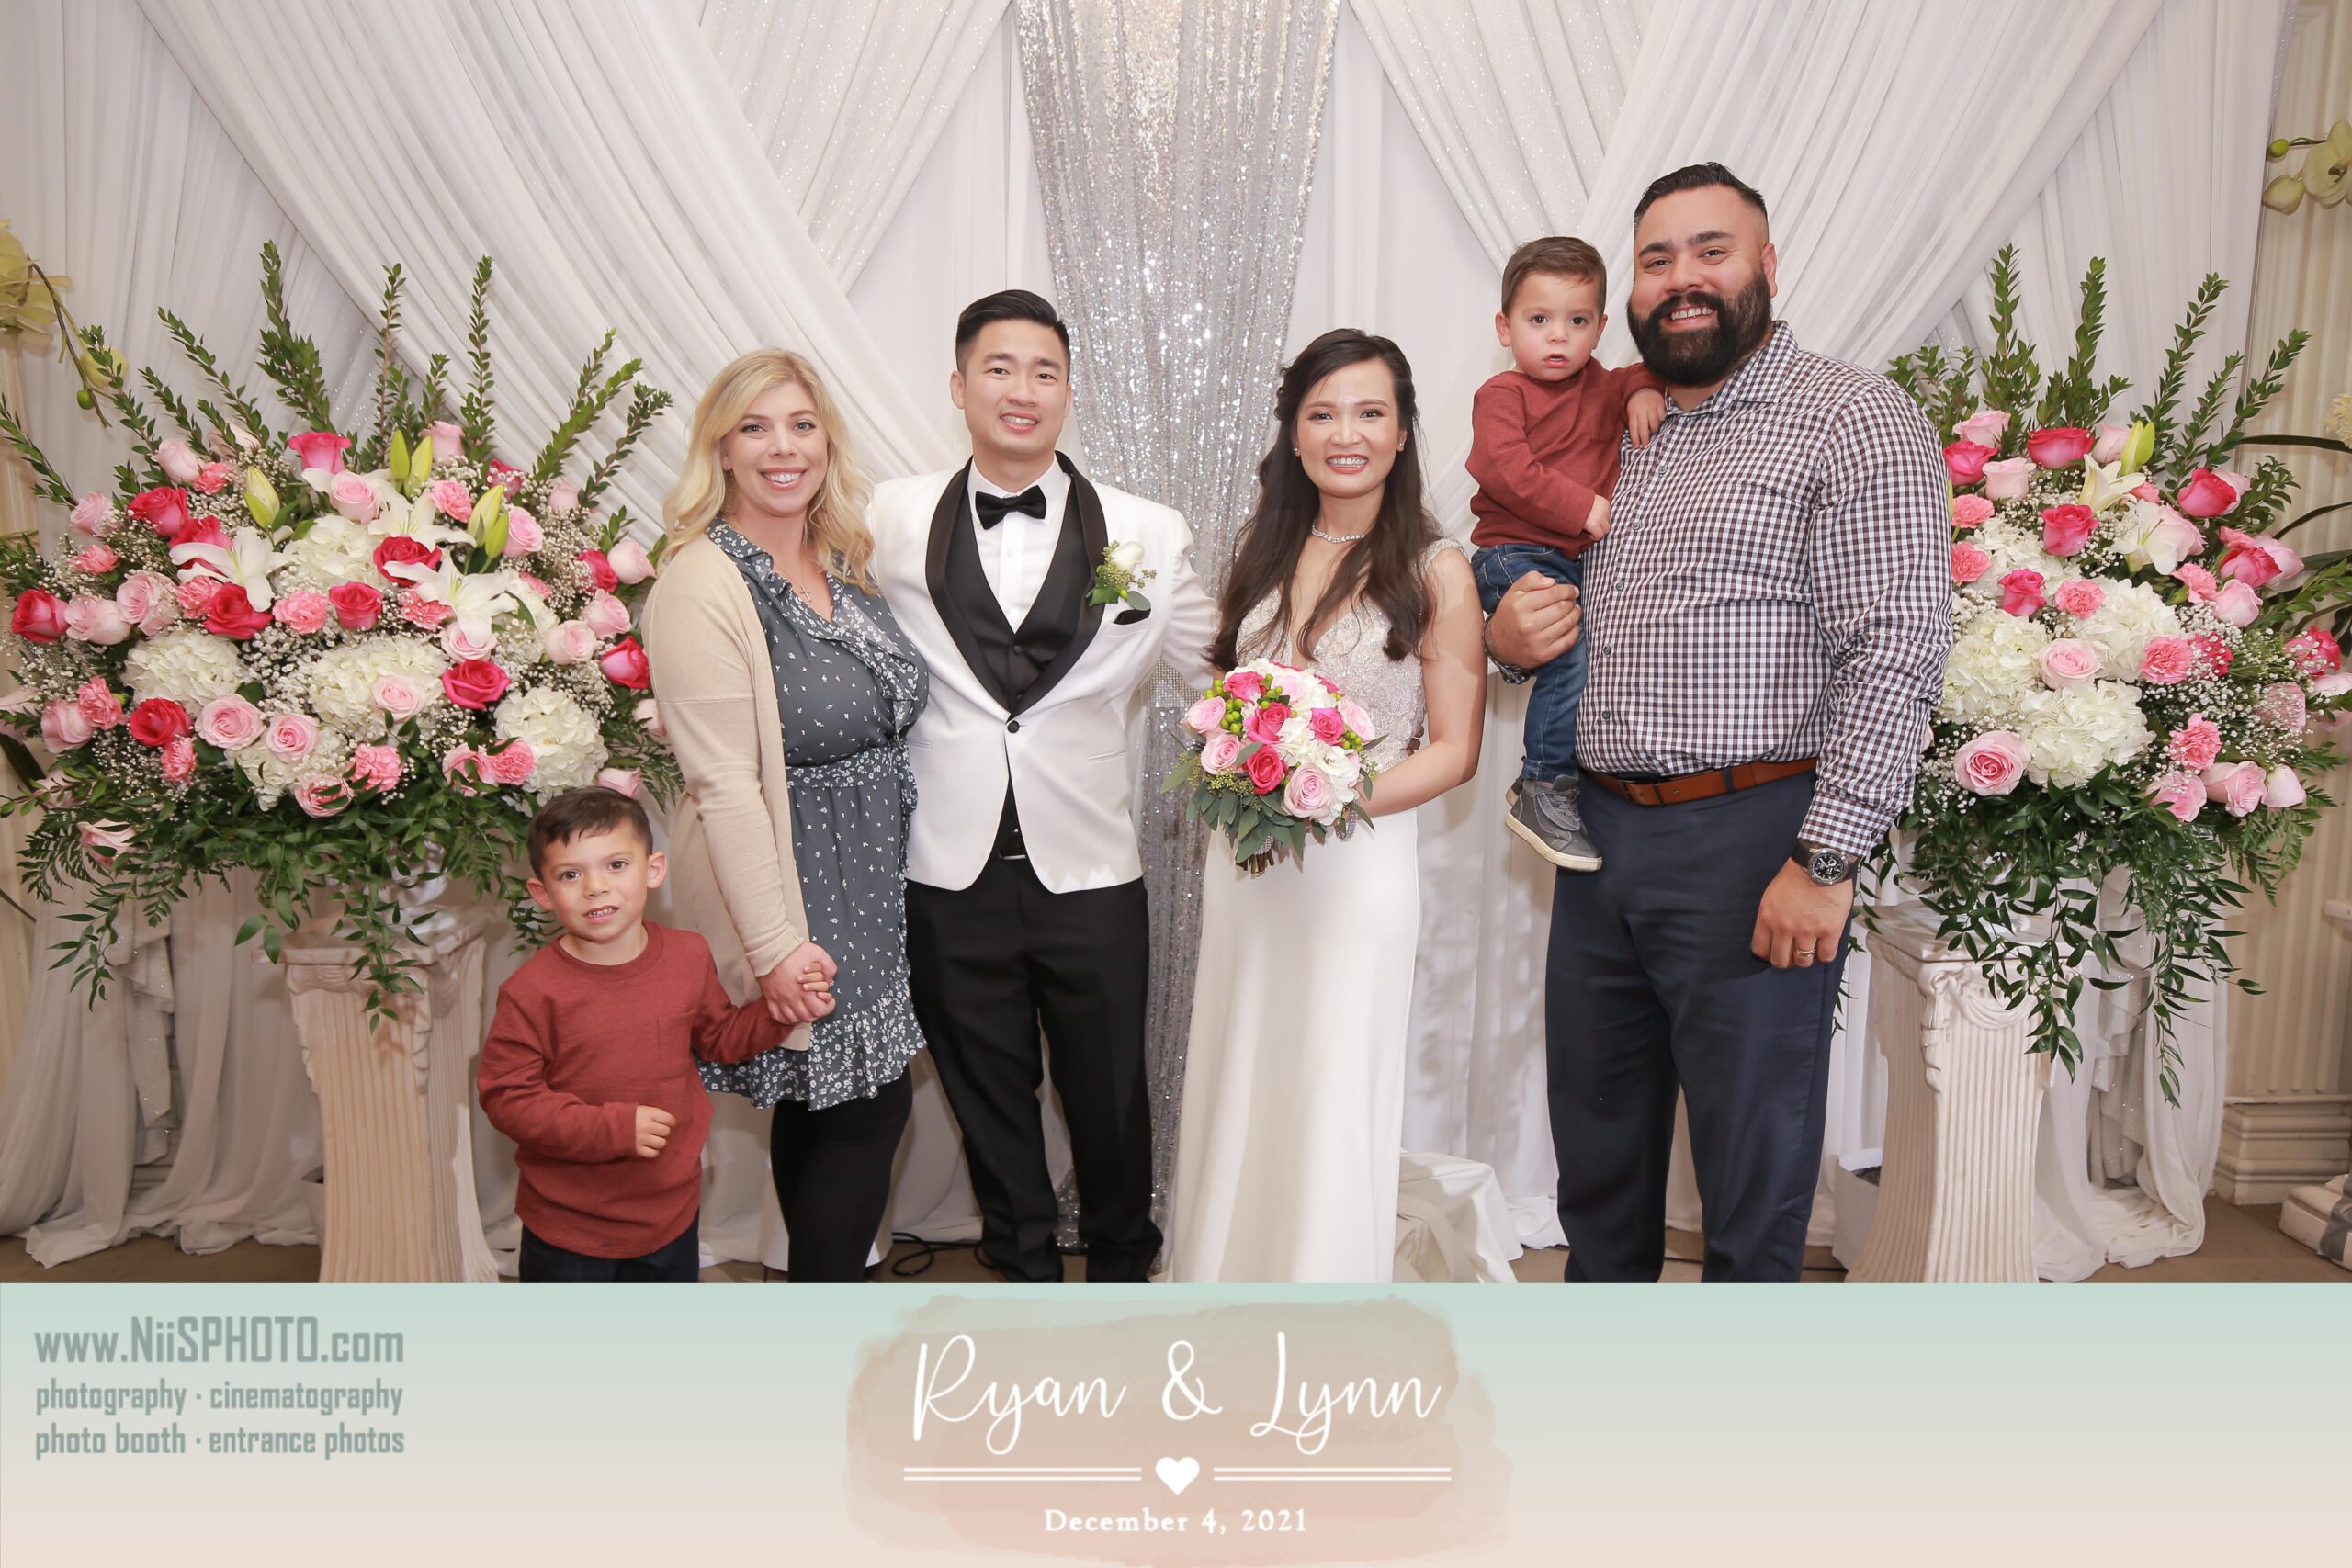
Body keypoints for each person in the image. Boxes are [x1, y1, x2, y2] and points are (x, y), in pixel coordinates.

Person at [1484, 164, 1951, 1282]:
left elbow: (1895, 645)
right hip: (1597, 837)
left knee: (1750, 1170)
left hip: (1752, 841)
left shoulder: (1850, 417)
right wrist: (1507, 644)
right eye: (1656, 260)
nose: (1681, 278)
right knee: (1598, 1159)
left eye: (1711, 251)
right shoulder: (1624, 432)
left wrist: (1825, 860)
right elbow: (1567, 611)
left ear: (1766, 266)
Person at [865, 290, 1217, 1283]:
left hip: (1092, 864)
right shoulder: (884, 518)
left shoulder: (1148, 532)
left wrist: (1313, 736)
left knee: (1110, 1093)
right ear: (959, 386)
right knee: (985, 1091)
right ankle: (1021, 1279)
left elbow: (1223, 672)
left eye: (1044, 372)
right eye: (999, 368)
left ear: (1067, 390)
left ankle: (1122, 1269)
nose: (1021, 390)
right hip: (946, 862)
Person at [1163, 329, 1486, 1283]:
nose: (1347, 434)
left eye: (1370, 412)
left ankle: (1323, 1296)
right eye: (1324, 413)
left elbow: (1455, 750)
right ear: (1295, 433)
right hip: (1248, 865)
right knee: (1245, 1061)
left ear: (1402, 431)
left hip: (1357, 865)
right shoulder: (1262, 549)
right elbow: (1229, 695)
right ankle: (1224, 1277)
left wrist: (1332, 797)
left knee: (1331, 1075)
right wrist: (1235, 761)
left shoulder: (1436, 568)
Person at [642, 347, 930, 1282]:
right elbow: (722, 784)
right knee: (868, 1109)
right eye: (755, 428)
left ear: (826, 443)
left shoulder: (841, 564)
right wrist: (773, 950)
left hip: (871, 885)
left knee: (828, 1102)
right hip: (798, 890)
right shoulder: (701, 582)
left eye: (802, 426)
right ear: (720, 451)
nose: (782, 448)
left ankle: (812, 1307)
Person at [477, 788, 790, 1283]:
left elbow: (720, 1038)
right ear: (543, 893)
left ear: (653, 869)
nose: (595, 887)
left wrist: (782, 1010)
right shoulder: (531, 991)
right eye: (570, 875)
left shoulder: (688, 956)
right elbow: (506, 1098)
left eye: (616, 865)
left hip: (672, 1212)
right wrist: (613, 1129)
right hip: (569, 1228)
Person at [1468, 235, 1664, 871]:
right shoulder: (1503, 394)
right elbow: (1503, 467)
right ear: (1505, 328)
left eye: (1577, 322)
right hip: (1512, 553)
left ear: (1601, 329)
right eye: (1539, 320)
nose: (1559, 337)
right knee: (1568, 656)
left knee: (1581, 657)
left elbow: (1643, 372)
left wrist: (1642, 390)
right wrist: (1580, 507)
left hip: (1562, 560)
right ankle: (1543, 785)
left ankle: (1547, 779)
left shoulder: (1604, 385)